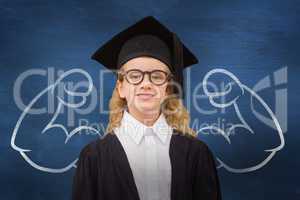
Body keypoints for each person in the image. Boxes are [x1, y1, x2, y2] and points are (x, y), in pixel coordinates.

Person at [71, 16, 222, 200]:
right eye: (135, 75)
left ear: (168, 88)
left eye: (157, 76)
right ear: (121, 87)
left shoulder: (197, 154)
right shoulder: (94, 157)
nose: (146, 84)